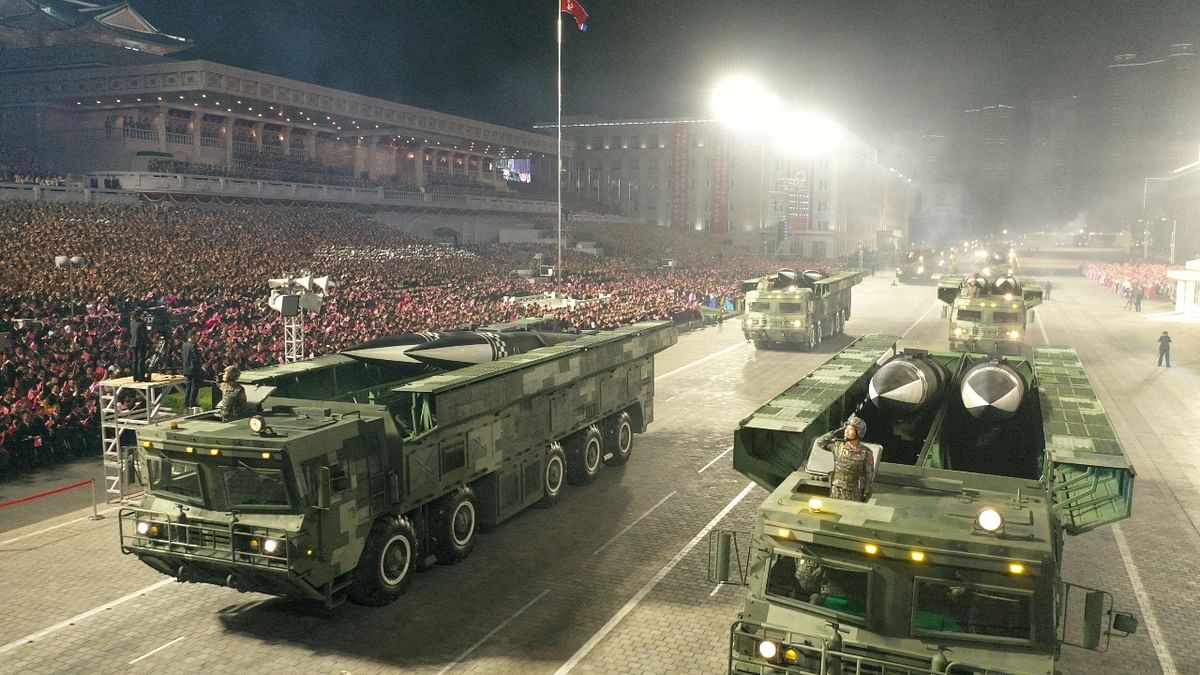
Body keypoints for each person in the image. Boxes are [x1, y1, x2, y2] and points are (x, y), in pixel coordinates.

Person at [816, 414, 876, 501]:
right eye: (845, 429)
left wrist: (866, 492)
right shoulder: (837, 446)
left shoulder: (866, 452)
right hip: (836, 489)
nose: (846, 432)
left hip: (854, 492)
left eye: (850, 430)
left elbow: (869, 475)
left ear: (858, 432)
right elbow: (820, 442)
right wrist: (835, 432)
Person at [181, 330, 204, 409]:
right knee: (194, 386)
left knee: (188, 386)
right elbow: (195, 358)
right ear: (192, 336)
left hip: (186, 368)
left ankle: (186, 402)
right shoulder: (193, 345)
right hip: (194, 368)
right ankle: (192, 402)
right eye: (196, 335)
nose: (197, 337)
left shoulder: (184, 345)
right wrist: (200, 353)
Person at [129, 311, 149, 382]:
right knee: (141, 360)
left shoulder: (132, 322)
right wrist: (150, 342)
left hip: (133, 343)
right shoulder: (142, 323)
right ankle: (141, 377)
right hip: (140, 343)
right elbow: (144, 335)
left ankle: (135, 377)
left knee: (135, 360)